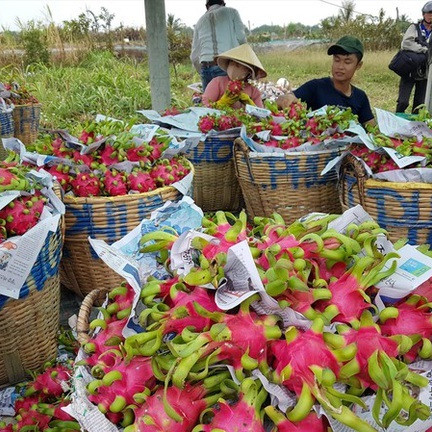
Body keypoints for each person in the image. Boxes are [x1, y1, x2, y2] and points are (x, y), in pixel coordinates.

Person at [277, 35, 375, 125]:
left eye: (347, 62)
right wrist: (285, 99)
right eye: (337, 60)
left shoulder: (360, 97)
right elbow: (283, 99)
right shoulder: (316, 87)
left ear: (358, 65)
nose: (340, 66)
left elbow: (372, 128)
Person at [190, 0, 247, 91]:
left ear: (207, 6)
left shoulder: (199, 22)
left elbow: (194, 56)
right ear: (223, 3)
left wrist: (202, 72)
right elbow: (241, 38)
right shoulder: (232, 12)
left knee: (208, 104)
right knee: (229, 102)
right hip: (225, 66)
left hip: (206, 68)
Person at [202, 43, 266, 109]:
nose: (233, 67)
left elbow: (262, 115)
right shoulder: (217, 82)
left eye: (238, 65)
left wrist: (251, 105)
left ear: (248, 71)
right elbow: (204, 108)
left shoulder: (254, 91)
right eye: (231, 63)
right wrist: (221, 103)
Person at [395, 2, 432, 114]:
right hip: (410, 70)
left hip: (425, 73)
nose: (431, 16)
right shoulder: (415, 28)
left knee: (419, 105)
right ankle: (396, 122)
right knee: (403, 102)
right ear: (423, 14)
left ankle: (414, 129)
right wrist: (424, 49)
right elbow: (406, 44)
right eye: (429, 13)